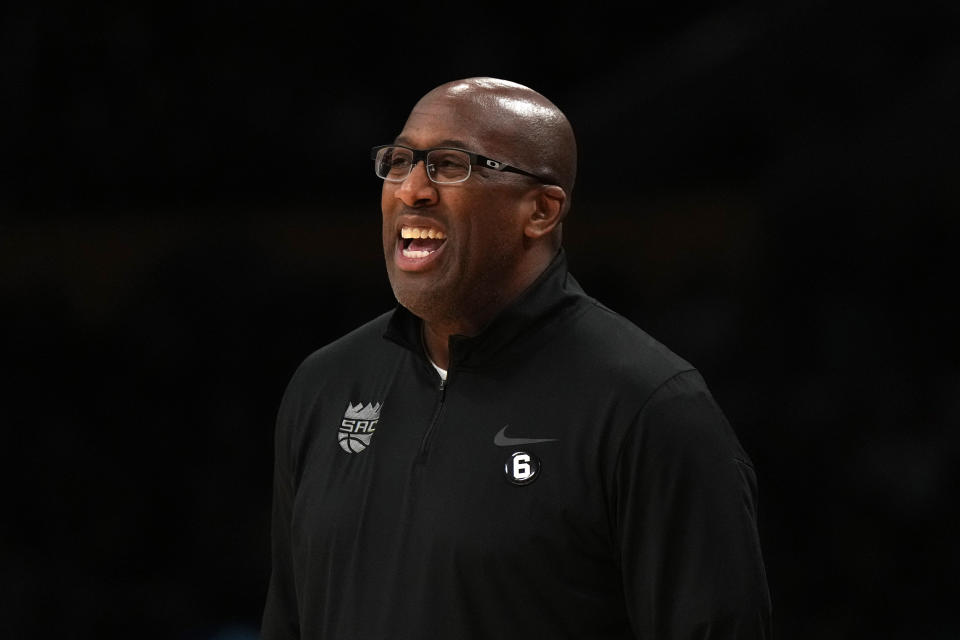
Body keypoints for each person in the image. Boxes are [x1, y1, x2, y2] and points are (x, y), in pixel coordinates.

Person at [261, 77, 772, 639]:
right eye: (401, 160)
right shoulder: (326, 384)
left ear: (542, 211)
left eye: (452, 165)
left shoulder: (649, 407)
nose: (412, 189)